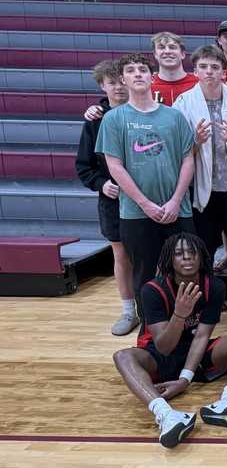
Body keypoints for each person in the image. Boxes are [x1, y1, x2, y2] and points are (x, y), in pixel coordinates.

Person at [112, 233, 227, 448]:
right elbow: (163, 346)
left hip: (195, 353)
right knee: (122, 356)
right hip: (159, 355)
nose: (187, 258)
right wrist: (180, 314)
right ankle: (167, 415)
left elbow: (201, 336)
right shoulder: (152, 290)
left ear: (201, 258)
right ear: (170, 259)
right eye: (179, 254)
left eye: (192, 253)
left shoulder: (214, 287)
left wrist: (184, 380)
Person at [95, 53, 196, 317]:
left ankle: (186, 326)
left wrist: (175, 201)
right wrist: (145, 203)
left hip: (178, 210)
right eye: (131, 70)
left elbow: (188, 159)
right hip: (137, 213)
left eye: (142, 69)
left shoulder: (174, 116)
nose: (137, 74)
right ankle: (150, 329)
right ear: (122, 79)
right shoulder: (113, 119)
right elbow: (114, 166)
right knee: (144, 275)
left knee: (185, 272)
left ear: (152, 78)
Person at [173, 45, 227, 284]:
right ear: (195, 71)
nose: (209, 72)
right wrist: (197, 142)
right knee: (202, 252)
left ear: (223, 72)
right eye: (203, 67)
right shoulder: (181, 106)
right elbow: (176, 156)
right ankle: (209, 300)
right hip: (201, 192)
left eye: (215, 67)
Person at [76, 60, 137, 335]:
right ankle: (128, 311)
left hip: (148, 196)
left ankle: (156, 308)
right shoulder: (94, 120)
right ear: (103, 86)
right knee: (121, 254)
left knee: (154, 254)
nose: (119, 86)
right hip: (113, 201)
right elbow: (84, 166)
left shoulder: (146, 113)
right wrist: (101, 185)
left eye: (121, 80)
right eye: (112, 82)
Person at [149, 32, 198, 106]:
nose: (167, 51)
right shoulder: (147, 86)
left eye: (172, 47)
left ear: (183, 54)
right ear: (155, 54)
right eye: (161, 47)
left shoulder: (198, 85)